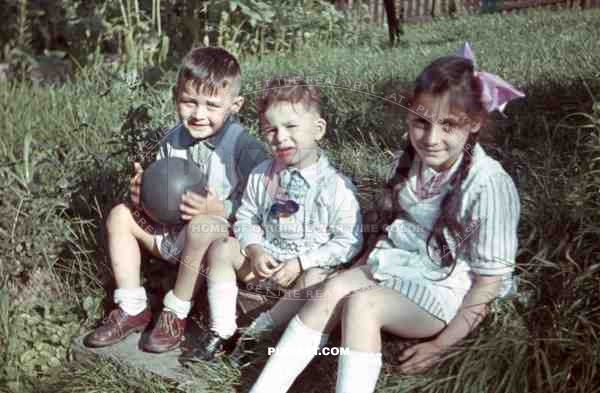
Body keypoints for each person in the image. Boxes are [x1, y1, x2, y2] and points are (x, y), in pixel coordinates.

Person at [248, 42, 524, 393]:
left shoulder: (488, 184)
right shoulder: (413, 162)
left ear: (474, 123)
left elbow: (488, 283)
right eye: (420, 123)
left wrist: (441, 346)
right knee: (332, 287)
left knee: (363, 304)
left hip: (443, 288)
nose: (431, 138)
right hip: (397, 265)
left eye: (448, 125)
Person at [84, 47, 267, 353]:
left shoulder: (244, 147)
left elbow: (262, 205)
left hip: (213, 243)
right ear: (175, 96)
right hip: (171, 235)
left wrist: (219, 208)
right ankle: (132, 307)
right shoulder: (172, 140)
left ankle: (176, 311)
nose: (198, 114)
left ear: (235, 105)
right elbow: (163, 198)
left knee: (203, 225)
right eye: (189, 102)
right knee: (119, 215)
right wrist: (143, 197)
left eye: (211, 105)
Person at [179, 77, 363, 364]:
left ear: (318, 129)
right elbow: (246, 217)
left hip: (301, 273)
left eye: (291, 127)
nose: (280, 137)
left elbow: (349, 242)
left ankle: (257, 333)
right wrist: (254, 249)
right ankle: (222, 329)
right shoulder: (262, 175)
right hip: (263, 263)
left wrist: (302, 263)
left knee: (318, 279)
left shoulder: (335, 186)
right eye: (270, 129)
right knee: (222, 249)